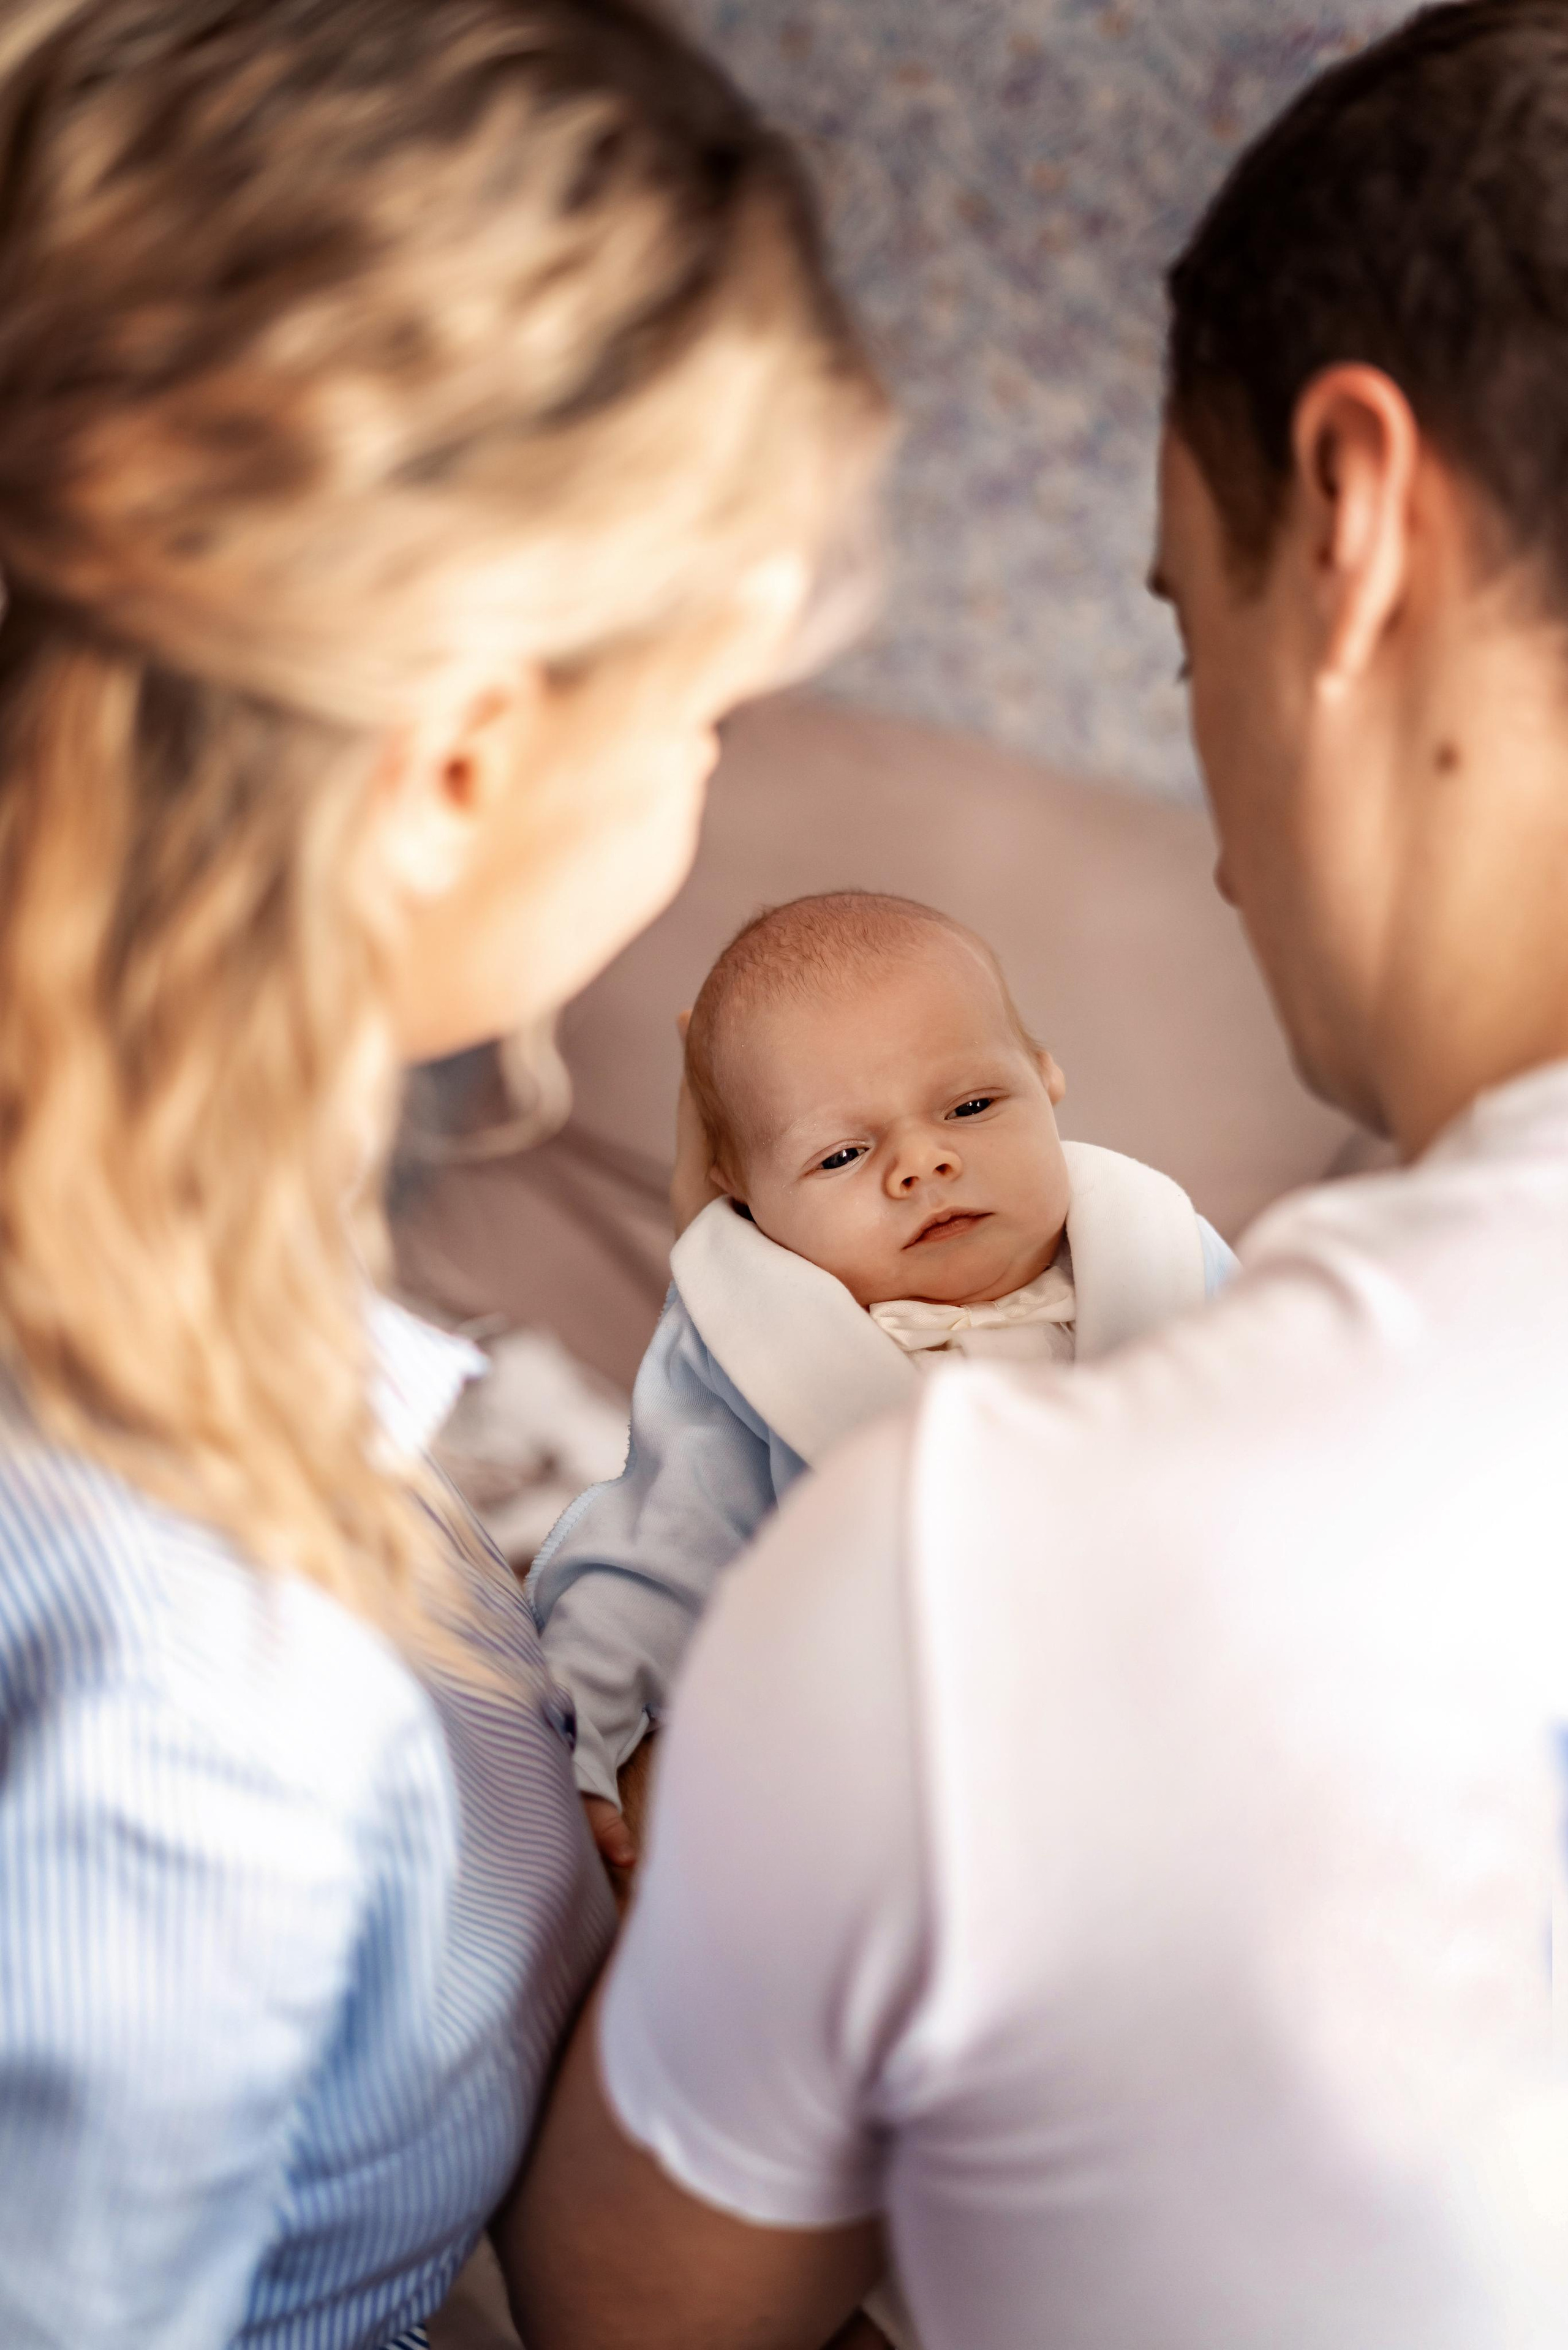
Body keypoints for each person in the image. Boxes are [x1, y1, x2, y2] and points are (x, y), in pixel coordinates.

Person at [508, 7, 1568, 2347]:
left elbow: (626, 2311)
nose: (1210, 823)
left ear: (1356, 519)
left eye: (1189, 633)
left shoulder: (975, 1572)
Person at [0, 4, 884, 2344]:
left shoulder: (216, 1323)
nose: (706, 772)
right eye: (705, 712)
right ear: (458, 767)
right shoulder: (209, 1685)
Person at [530, 889, 1234, 1861]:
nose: (922, 1161)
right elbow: (655, 1549)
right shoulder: (755, 1341)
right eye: (843, 1153)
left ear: (1045, 1077)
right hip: (901, 1789)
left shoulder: (1164, 1253)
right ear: (740, 1192)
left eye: (973, 1105)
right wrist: (578, 1730)